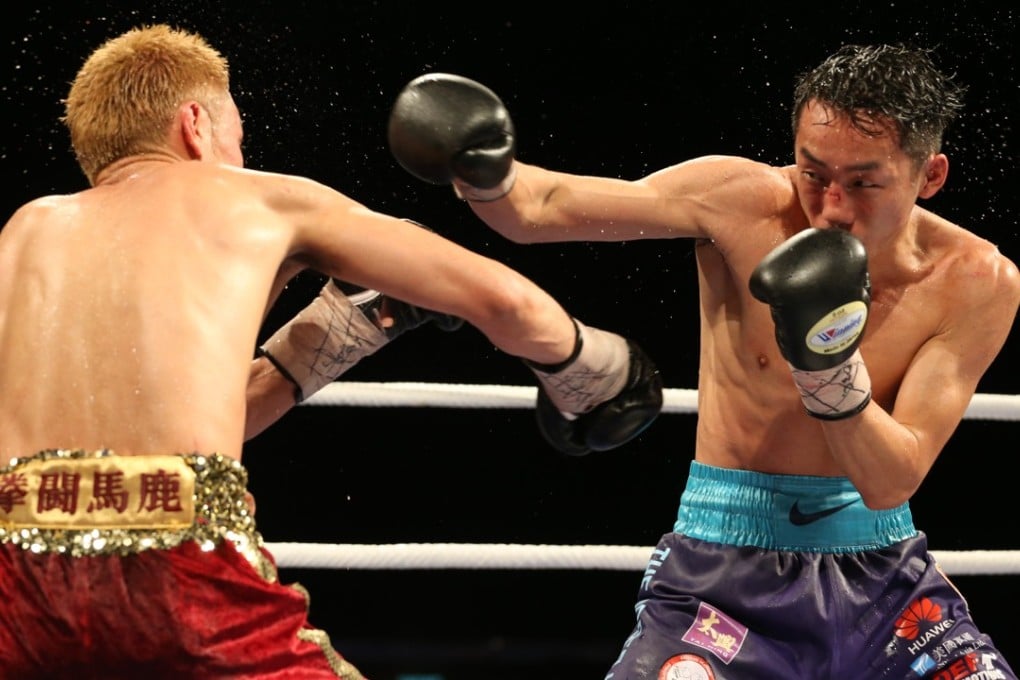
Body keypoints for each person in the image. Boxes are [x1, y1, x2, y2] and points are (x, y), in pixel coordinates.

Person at [0, 24, 664, 679]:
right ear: (195, 124)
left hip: (18, 569)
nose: (239, 153)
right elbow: (507, 304)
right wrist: (594, 367)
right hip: (185, 567)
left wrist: (339, 333)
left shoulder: (25, 232)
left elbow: (168, 442)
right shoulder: (256, 199)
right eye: (238, 135)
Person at [387, 43, 1020, 678]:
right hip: (723, 578)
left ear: (929, 176)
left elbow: (890, 481)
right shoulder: (738, 200)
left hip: (887, 594)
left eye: (863, 182)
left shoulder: (976, 280)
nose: (829, 206)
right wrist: (484, 170)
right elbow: (540, 208)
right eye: (813, 172)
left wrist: (825, 366)